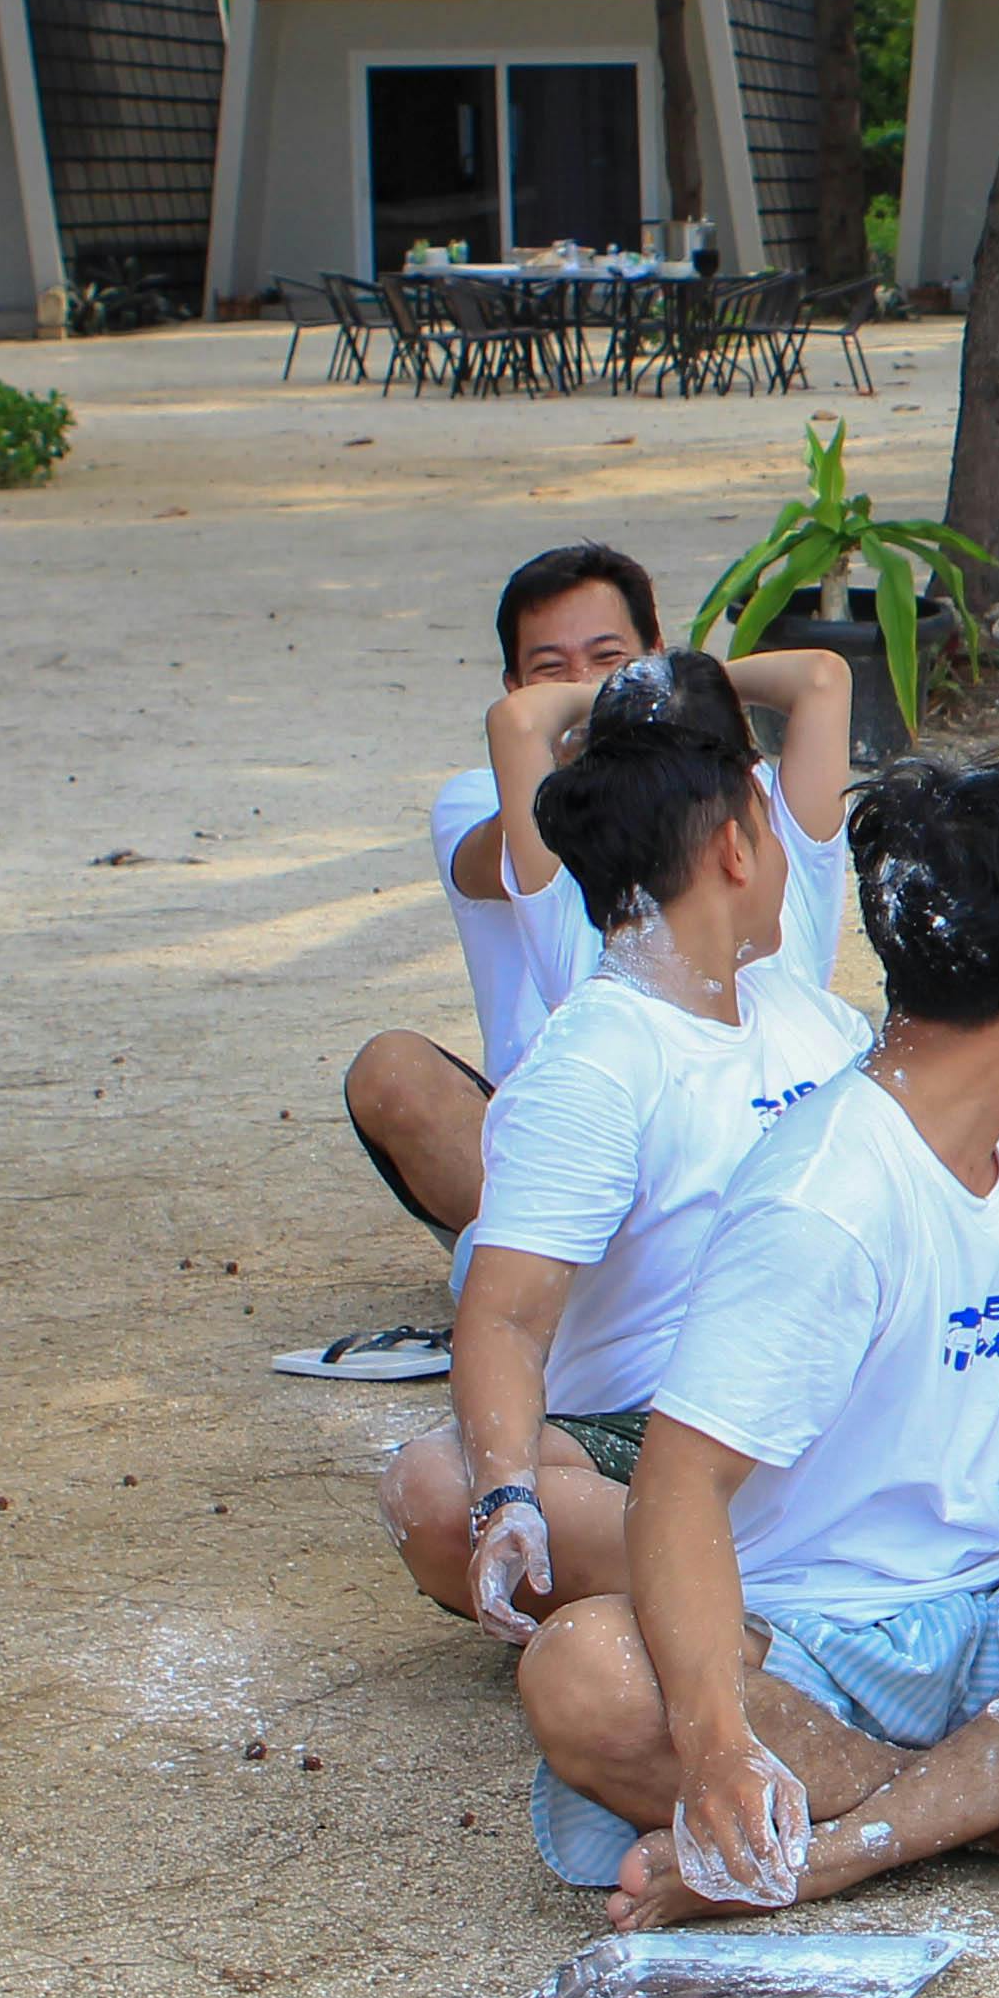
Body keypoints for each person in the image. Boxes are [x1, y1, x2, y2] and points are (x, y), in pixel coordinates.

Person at [513, 751, 999, 1924]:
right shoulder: (825, 1193)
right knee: (585, 1676)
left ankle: (846, 1846)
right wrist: (716, 1740)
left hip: (995, 1629)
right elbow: (678, 1484)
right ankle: (979, 1809)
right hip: (796, 1654)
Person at [373, 655, 874, 1634]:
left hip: (825, 1420)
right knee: (437, 1490)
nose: (788, 854)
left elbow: (930, 1172)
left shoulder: (809, 1016)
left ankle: (767, 1590)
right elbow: (505, 1320)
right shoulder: (596, 1062)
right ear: (736, 850)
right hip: (648, 1443)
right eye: (771, 826)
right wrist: (508, 1492)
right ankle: (797, 1590)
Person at [303, 542, 848, 1381]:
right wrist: (631, 705)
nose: (585, 681)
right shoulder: (582, 885)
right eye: (552, 668)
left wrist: (671, 690)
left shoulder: (770, 836)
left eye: (610, 659)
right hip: (598, 1163)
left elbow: (822, 678)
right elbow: (518, 728)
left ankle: (518, 1269)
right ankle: (531, 1256)